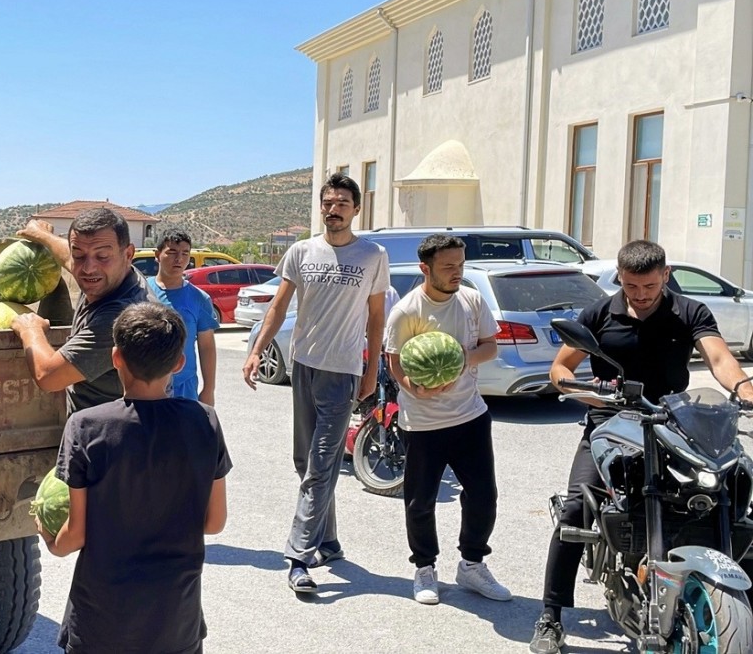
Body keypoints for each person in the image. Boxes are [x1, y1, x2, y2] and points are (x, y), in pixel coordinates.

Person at [529, 240, 753, 654]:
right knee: (577, 507)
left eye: (649, 285)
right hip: (612, 422)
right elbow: (561, 369)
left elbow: (719, 359)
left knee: (730, 489)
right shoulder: (600, 313)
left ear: (665, 276)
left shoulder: (689, 312)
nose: (641, 294)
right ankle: (550, 616)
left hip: (676, 422)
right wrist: (588, 392)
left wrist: (744, 387)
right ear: (620, 278)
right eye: (632, 286)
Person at [39, 302, 231, 653]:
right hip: (176, 620)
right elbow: (214, 522)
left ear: (115, 358)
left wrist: (49, 538)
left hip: (101, 623)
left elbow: (74, 535)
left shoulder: (86, 427)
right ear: (179, 362)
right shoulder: (205, 422)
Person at [241, 172, 390, 593]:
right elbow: (279, 305)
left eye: (343, 202)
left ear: (356, 209)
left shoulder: (372, 256)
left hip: (342, 372)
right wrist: (256, 351)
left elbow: (376, 318)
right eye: (328, 202)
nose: (334, 208)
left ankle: (298, 556)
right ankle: (329, 540)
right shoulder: (302, 251)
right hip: (303, 366)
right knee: (305, 463)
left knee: (323, 465)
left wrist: (371, 369)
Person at [385, 234, 511, 606]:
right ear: (426, 269)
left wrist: (461, 358)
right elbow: (393, 361)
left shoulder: (472, 300)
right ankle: (424, 567)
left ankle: (472, 564)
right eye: (448, 267)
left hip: (471, 415)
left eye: (460, 265)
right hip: (423, 422)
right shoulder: (407, 311)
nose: (457, 273)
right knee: (420, 501)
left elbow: (490, 346)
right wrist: (414, 388)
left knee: (483, 495)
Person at [12, 208, 151, 414]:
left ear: (128, 254)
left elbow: (48, 377)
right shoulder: (119, 275)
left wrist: (30, 330)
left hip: (109, 436)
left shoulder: (121, 318)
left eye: (102, 256)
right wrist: (42, 235)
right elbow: (68, 256)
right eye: (79, 255)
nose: (88, 268)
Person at [146, 230, 220, 404]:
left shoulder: (199, 299)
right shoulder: (141, 291)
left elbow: (207, 346)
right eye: (171, 252)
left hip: (184, 388)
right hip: (145, 387)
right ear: (157, 255)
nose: (179, 259)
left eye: (185, 253)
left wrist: (209, 390)